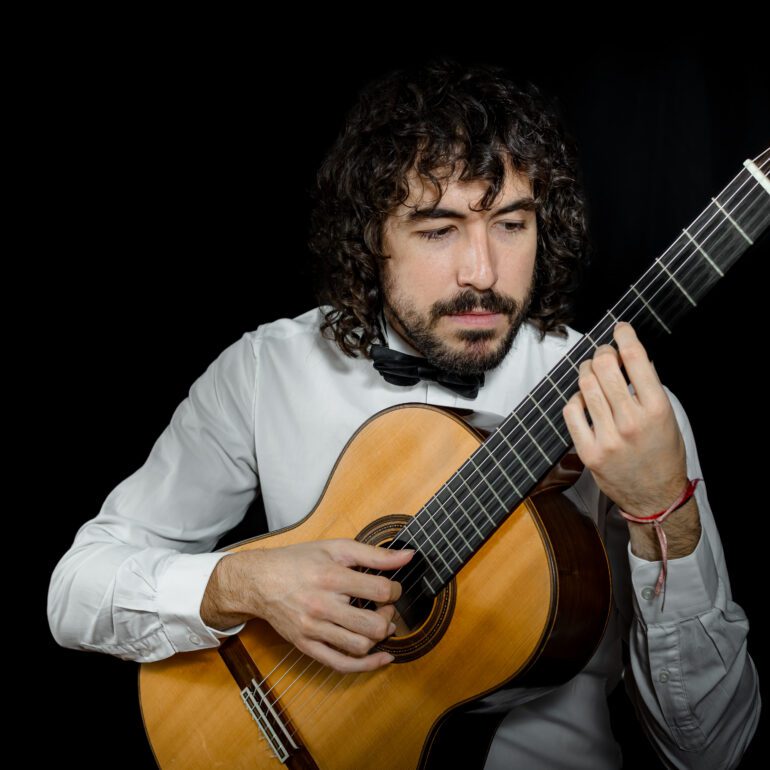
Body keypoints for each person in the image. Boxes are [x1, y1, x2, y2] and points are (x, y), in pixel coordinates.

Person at [47, 57, 761, 769]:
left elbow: (712, 752)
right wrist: (242, 585)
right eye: (437, 229)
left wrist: (664, 510)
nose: (481, 271)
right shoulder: (267, 372)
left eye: (511, 224)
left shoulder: (631, 412)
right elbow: (75, 591)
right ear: (370, 238)